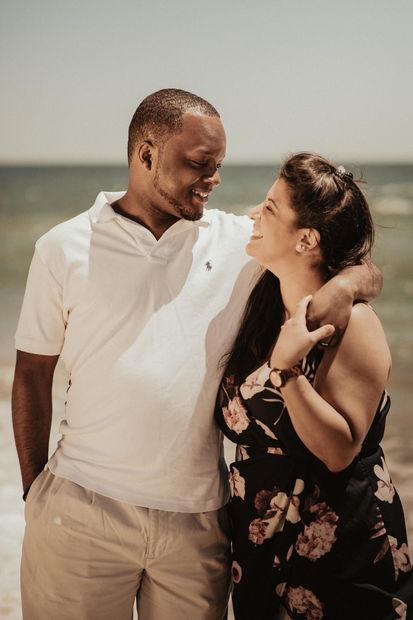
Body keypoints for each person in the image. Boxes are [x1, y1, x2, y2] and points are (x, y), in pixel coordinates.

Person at [13, 90, 381, 620]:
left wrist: (346, 287)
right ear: (146, 155)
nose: (215, 178)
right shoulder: (63, 247)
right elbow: (31, 373)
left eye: (219, 165)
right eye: (200, 164)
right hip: (83, 507)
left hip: (198, 522)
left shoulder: (239, 242)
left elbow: (341, 257)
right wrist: (35, 490)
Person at [215, 152, 413, 619]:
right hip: (260, 543)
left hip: (337, 545)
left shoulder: (353, 323)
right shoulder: (261, 295)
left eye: (269, 207)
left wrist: (286, 372)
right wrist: (346, 282)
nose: (252, 215)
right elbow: (366, 270)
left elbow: (339, 449)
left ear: (306, 239)